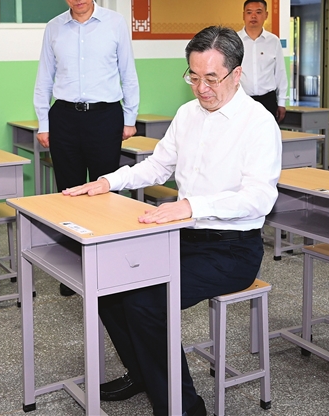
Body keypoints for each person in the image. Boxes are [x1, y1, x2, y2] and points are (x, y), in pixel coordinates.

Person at [64, 26, 282, 416]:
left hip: (232, 249)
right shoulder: (187, 114)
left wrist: (192, 206)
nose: (201, 88)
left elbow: (260, 198)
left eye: (211, 79)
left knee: (146, 300)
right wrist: (108, 182)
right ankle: (144, 374)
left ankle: (183, 408)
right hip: (182, 237)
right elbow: (157, 166)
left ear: (236, 74)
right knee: (109, 285)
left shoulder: (258, 123)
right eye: (193, 77)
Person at [33, 0, 140, 296]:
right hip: (64, 117)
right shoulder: (54, 28)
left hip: (105, 116)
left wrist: (130, 118)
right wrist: (43, 122)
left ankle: (107, 265)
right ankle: (74, 267)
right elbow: (44, 78)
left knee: (106, 190)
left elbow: (128, 73)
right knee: (68, 193)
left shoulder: (115, 23)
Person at [237, 0, 288, 122]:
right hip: (241, 100)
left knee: (268, 133)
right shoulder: (234, 40)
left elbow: (280, 73)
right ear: (243, 15)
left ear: (266, 15)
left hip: (268, 100)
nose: (253, 16)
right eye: (249, 12)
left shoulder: (274, 41)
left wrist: (282, 102)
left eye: (258, 12)